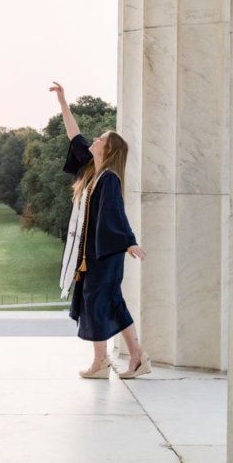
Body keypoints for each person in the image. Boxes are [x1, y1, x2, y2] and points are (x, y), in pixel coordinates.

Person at [49, 81, 151, 379]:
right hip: (93, 254)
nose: (95, 139)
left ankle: (102, 362)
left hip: (103, 255)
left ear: (109, 149)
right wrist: (63, 103)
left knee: (96, 303)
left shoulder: (109, 179)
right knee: (112, 303)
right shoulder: (91, 170)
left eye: (101, 138)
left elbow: (114, 214)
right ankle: (136, 358)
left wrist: (129, 242)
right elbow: (74, 136)